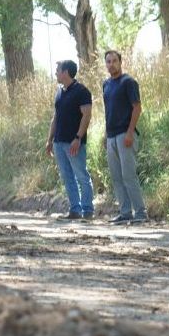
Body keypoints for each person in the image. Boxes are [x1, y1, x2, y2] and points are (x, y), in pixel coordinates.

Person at [45, 60, 94, 221]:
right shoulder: (59, 92)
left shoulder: (82, 91)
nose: (56, 73)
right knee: (67, 177)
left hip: (74, 142)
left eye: (57, 70)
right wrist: (50, 140)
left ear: (65, 72)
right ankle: (75, 210)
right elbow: (56, 117)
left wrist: (78, 137)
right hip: (59, 142)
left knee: (81, 176)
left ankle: (87, 211)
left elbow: (86, 116)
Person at [103, 50, 147, 224]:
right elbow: (108, 111)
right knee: (116, 176)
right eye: (108, 61)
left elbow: (137, 107)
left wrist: (130, 132)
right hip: (111, 136)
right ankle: (125, 211)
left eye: (114, 61)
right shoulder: (106, 85)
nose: (111, 64)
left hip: (125, 135)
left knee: (128, 175)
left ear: (120, 62)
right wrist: (106, 136)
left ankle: (141, 212)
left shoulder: (128, 82)